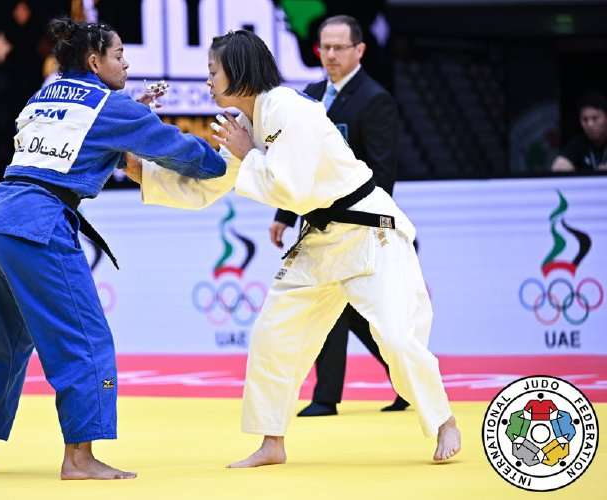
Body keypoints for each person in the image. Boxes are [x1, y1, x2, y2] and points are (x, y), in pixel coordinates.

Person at [124, 30, 461, 467]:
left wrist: (248, 156)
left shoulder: (289, 108)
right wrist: (142, 171)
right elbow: (213, 182)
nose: (207, 82)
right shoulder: (249, 124)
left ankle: (443, 421)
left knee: (397, 338)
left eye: (212, 72)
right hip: (320, 242)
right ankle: (272, 443)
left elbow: (294, 192)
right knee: (273, 336)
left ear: (238, 71)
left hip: (369, 234)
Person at [0, 18, 226, 480]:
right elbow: (182, 153)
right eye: (118, 55)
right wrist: (231, 160)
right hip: (38, 227)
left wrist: (131, 111)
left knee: (5, 339)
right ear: (95, 62)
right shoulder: (114, 109)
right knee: (85, 340)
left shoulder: (45, 95)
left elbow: (83, 130)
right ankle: (79, 457)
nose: (127, 62)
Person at [269, 15, 408, 417]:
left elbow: (383, 173)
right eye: (323, 47)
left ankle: (404, 383)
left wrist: (363, 221)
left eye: (338, 47)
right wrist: (283, 213)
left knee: (369, 312)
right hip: (315, 222)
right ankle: (330, 396)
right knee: (339, 308)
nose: (329, 55)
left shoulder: (375, 100)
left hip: (359, 225)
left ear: (359, 50)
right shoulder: (310, 96)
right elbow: (294, 162)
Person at [551, 91, 607, 172]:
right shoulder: (578, 143)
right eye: (585, 119)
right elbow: (558, 167)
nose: (590, 124)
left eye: (595, 118)